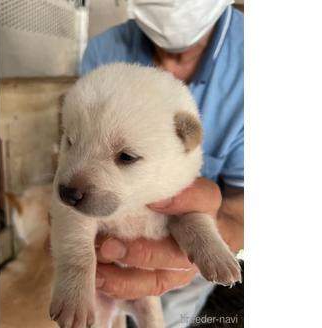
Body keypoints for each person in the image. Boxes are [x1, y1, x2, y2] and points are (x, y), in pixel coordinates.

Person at [81, 0, 243, 326]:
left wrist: (203, 240)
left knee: (168, 318)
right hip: (104, 250)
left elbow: (243, 211)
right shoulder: (102, 51)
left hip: (188, 264)